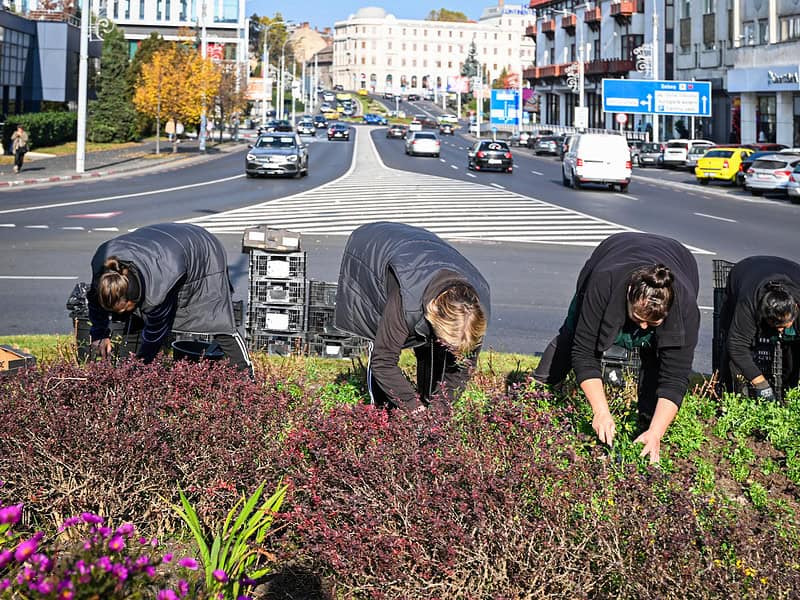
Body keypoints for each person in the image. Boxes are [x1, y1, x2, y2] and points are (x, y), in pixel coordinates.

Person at [533, 232, 700, 463]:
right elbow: (584, 353)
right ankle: (535, 395)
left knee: (655, 357)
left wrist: (657, 432)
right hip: (614, 252)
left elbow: (675, 377)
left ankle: (645, 426)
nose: (642, 327)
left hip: (679, 258)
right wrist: (601, 411)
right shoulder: (603, 283)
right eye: (638, 318)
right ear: (630, 294)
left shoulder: (686, 308)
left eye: (652, 324)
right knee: (570, 336)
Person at [334, 222, 490, 413]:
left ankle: (428, 402)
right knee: (383, 342)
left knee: (436, 350)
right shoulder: (403, 298)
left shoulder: (475, 315)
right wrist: (412, 407)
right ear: (434, 316)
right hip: (373, 247)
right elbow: (383, 362)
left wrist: (439, 412)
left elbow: (463, 369)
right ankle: (382, 414)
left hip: (424, 253)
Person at [87, 223, 252, 376]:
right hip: (160, 248)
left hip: (201, 249)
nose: (121, 313)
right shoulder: (105, 275)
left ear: (134, 296)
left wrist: (141, 366)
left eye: (124, 308)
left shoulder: (158, 290)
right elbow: (96, 304)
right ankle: (129, 367)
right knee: (131, 320)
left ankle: (247, 378)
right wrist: (99, 334)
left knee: (217, 319)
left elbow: (155, 333)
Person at [718, 256, 800, 400]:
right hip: (746, 270)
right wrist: (761, 385)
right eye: (777, 326)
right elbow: (737, 346)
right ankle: (733, 395)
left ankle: (789, 391)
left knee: (794, 344)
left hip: (792, 271)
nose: (781, 331)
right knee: (730, 339)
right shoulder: (748, 303)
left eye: (784, 326)